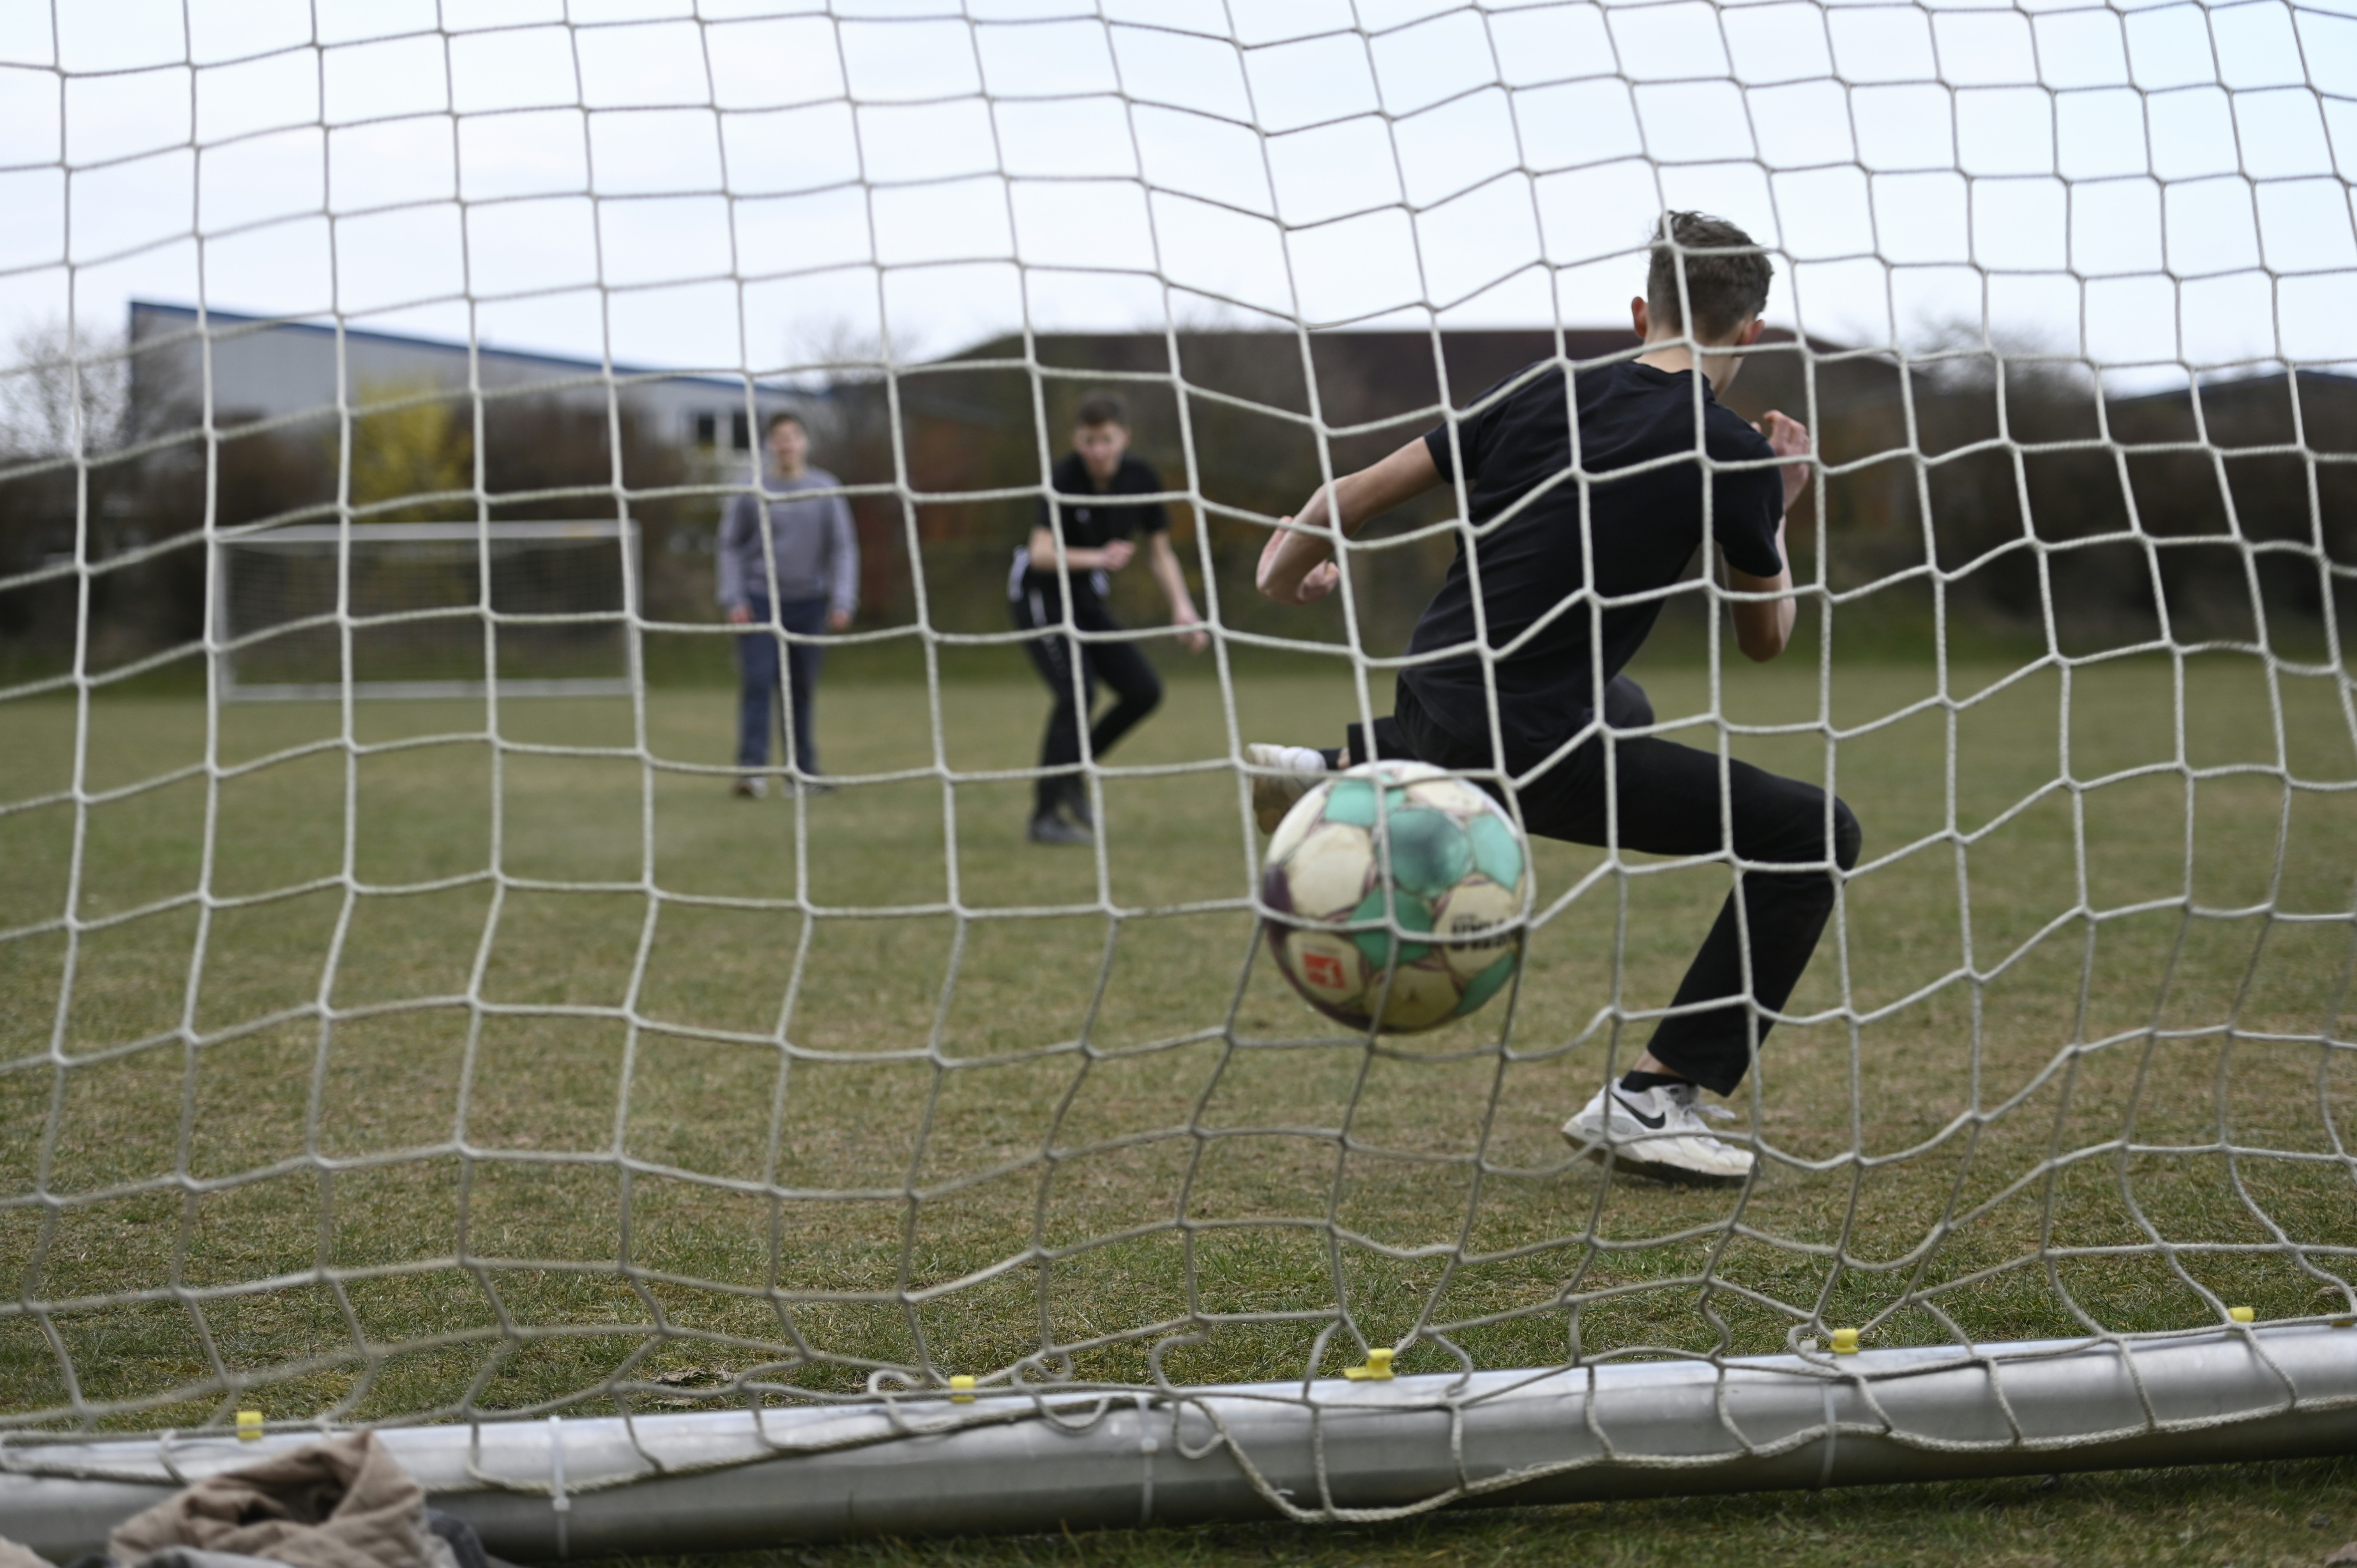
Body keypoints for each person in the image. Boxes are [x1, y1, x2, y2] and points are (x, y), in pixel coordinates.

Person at [1248, 212, 1861, 1187]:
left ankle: (1345, 767)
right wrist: (1779, 503)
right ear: (1752, 334)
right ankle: (1655, 1096)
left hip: (1434, 691)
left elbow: (1349, 496)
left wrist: (1288, 578)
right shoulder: (1731, 452)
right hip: (1526, 742)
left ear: (1638, 311)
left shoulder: (1542, 387)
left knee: (1623, 706)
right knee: (1816, 832)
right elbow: (1765, 640)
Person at [1013, 390, 1207, 845]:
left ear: (1124, 438)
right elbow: (1040, 554)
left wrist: (1184, 609)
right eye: (1088, 441)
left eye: (1105, 440)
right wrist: (1097, 556)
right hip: (1040, 597)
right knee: (1076, 692)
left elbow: (1160, 553)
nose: (1097, 451)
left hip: (1085, 600)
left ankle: (1074, 770)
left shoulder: (1142, 477)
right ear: (1076, 441)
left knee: (1144, 691)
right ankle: (1044, 816)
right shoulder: (1064, 476)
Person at [717, 411, 859, 797]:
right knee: (759, 681)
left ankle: (801, 774)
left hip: (809, 602)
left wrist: (843, 598)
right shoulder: (751, 488)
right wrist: (734, 598)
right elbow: (729, 546)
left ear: (805, 442)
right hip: (760, 601)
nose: (786, 444)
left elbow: (843, 547)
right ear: (768, 445)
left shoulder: (825, 488)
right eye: (778, 437)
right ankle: (752, 772)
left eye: (793, 436)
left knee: (800, 688)